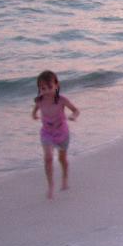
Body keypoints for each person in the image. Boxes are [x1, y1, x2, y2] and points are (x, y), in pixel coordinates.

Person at [31, 70, 79, 199]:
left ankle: (64, 177)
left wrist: (73, 116)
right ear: (39, 89)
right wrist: (34, 115)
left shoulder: (62, 100)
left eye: (49, 87)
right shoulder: (39, 101)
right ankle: (50, 185)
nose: (46, 91)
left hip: (62, 133)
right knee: (48, 158)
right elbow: (35, 111)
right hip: (47, 133)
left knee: (62, 159)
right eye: (43, 88)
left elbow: (76, 110)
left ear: (57, 85)